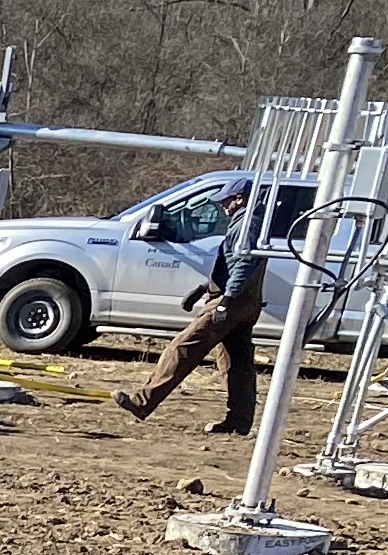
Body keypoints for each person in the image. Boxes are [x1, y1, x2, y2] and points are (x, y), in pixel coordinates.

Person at [111, 181, 269, 435]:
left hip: (233, 301)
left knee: (184, 347)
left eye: (226, 200)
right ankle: (239, 421)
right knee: (236, 363)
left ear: (239, 198)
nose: (222, 206)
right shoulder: (251, 221)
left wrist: (225, 301)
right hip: (243, 301)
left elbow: (244, 263)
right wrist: (204, 288)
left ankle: (143, 402)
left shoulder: (247, 223)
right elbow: (232, 265)